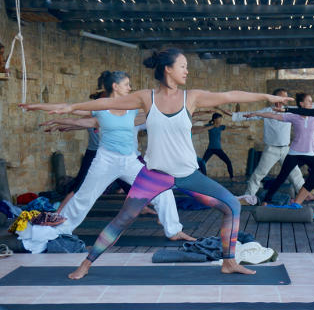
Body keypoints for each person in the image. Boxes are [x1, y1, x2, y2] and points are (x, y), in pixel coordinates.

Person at [49, 48, 293, 278]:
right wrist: (71, 107)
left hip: (189, 175)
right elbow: (106, 104)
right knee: (122, 219)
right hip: (154, 175)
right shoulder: (147, 97)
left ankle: (229, 262)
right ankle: (86, 263)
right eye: (183, 66)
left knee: (231, 206)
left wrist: (266, 96)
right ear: (168, 69)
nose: (187, 71)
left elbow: (230, 95)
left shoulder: (192, 97)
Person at [18, 71, 193, 254]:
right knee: (83, 198)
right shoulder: (100, 108)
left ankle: (174, 230)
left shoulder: (134, 107)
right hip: (105, 161)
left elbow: (161, 110)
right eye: (126, 84)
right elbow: (68, 107)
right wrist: (36, 106)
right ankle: (60, 232)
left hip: (130, 161)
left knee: (163, 191)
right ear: (115, 87)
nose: (130, 88)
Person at [247, 93, 314, 208]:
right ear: (301, 104)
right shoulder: (293, 116)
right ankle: (266, 200)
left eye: (312, 101)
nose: (311, 103)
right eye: (309, 101)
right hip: (294, 154)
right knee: (281, 177)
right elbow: (273, 116)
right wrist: (256, 113)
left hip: (309, 154)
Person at [232, 89, 314, 202]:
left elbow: (312, 107)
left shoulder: (291, 111)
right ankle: (248, 196)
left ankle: (305, 195)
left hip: (287, 150)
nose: (286, 100)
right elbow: (251, 115)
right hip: (271, 149)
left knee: (296, 174)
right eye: (283, 97)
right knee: (259, 174)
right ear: (276, 98)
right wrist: (234, 115)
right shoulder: (267, 111)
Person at [202, 112, 248, 179]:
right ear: (214, 119)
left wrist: (242, 126)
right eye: (219, 119)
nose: (220, 120)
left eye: (221, 119)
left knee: (228, 162)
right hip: (210, 149)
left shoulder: (221, 127)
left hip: (218, 149)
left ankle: (232, 178)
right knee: (202, 163)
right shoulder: (208, 126)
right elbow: (201, 128)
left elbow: (232, 127)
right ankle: (202, 178)